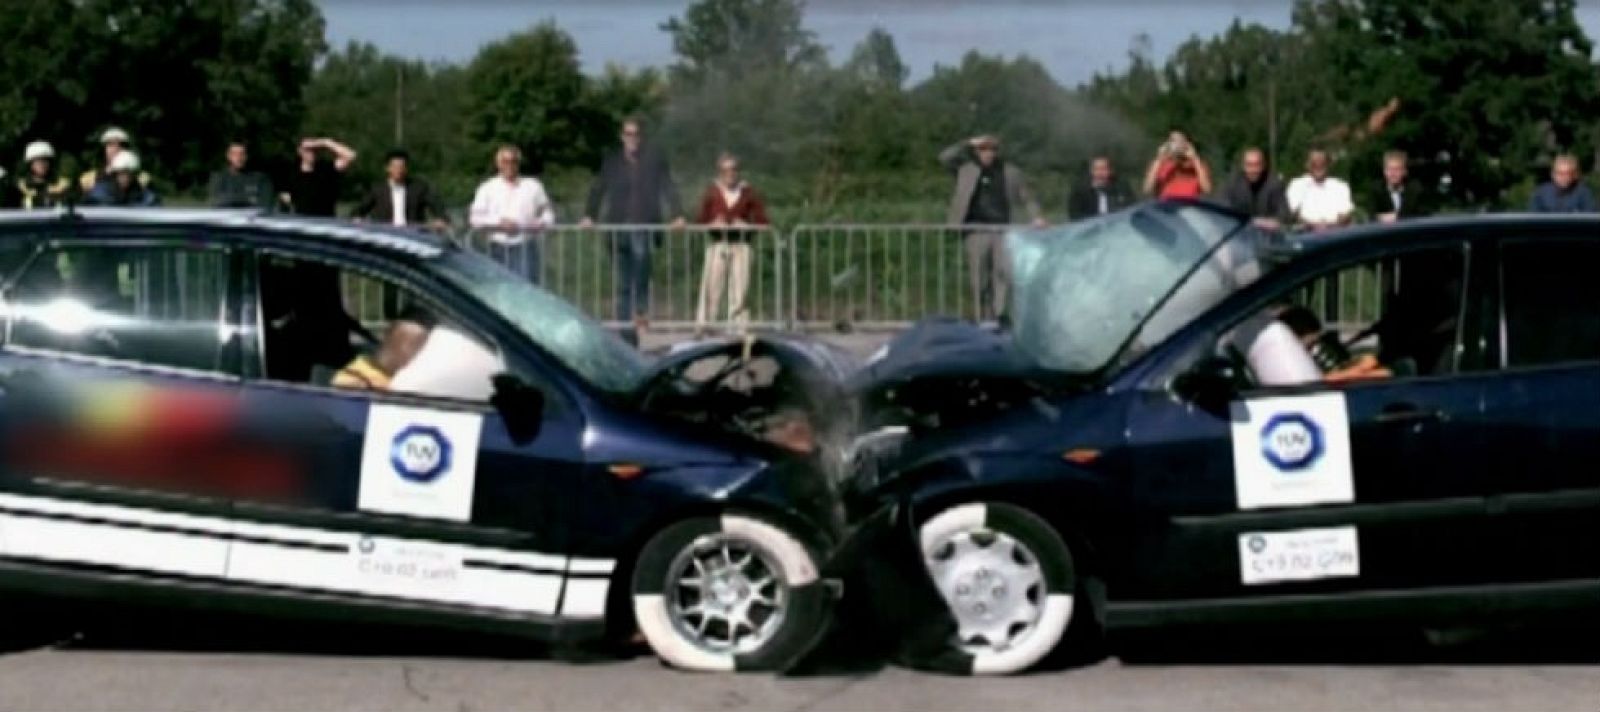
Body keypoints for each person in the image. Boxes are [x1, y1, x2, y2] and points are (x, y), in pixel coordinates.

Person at [580, 118, 687, 329]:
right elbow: (598, 188)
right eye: (628, 134)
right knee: (622, 281)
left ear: (641, 136)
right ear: (622, 137)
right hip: (617, 226)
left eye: (636, 134)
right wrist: (589, 215)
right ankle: (625, 330)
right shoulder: (612, 160)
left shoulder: (653, 159)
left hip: (643, 223)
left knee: (641, 260)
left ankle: (640, 309)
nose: (632, 138)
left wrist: (677, 214)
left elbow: (668, 186)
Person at [940, 135, 1045, 324]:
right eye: (983, 149)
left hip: (1004, 229)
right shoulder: (966, 170)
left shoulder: (1011, 172)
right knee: (979, 276)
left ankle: (999, 315)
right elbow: (945, 157)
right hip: (975, 229)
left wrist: (1037, 217)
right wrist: (968, 142)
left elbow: (1027, 197)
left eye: (991, 149)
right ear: (977, 151)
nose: (988, 153)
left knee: (1003, 274)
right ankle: (982, 315)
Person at [694, 152, 770, 337]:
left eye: (733, 169)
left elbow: (764, 222)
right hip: (718, 244)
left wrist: (748, 226)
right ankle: (705, 325)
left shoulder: (748, 192)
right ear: (719, 172)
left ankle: (739, 328)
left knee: (740, 289)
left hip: (741, 244)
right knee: (711, 286)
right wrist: (712, 224)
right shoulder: (712, 191)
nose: (730, 174)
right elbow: (699, 220)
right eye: (726, 170)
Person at [468, 145, 555, 284]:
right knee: (498, 288)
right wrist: (499, 222)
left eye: (513, 161)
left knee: (527, 289)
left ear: (519, 163)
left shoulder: (533, 186)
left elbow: (548, 212)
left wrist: (541, 223)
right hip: (497, 246)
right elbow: (475, 219)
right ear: (498, 164)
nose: (509, 165)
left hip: (525, 246)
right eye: (505, 161)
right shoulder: (487, 188)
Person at [332, 307, 436, 391]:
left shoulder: (415, 378)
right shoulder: (356, 379)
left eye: (418, 346)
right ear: (387, 334)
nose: (408, 351)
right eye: (403, 341)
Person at [351, 149, 449, 231]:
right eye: (395, 167)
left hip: (413, 233)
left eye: (401, 167)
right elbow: (358, 211)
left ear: (406, 169)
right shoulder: (377, 189)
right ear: (388, 168)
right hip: (386, 234)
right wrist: (358, 220)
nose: (399, 170)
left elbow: (437, 207)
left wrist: (441, 219)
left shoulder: (418, 188)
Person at [281, 137, 357, 217]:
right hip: (302, 223)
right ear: (300, 151)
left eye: (315, 150)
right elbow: (285, 200)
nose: (312, 153)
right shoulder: (292, 174)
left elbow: (350, 155)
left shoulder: (326, 170)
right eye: (308, 149)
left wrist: (325, 142)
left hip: (324, 222)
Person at [1217, 148, 1290, 231]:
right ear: (1243, 166)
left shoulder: (1274, 184)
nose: (1253, 170)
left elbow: (1284, 216)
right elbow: (1221, 209)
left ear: (1263, 165)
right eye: (1249, 165)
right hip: (1237, 233)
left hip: (1267, 234)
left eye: (1257, 165)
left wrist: (1259, 222)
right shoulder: (1232, 183)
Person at [1286, 149, 1354, 232]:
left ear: (1328, 165)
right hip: (1306, 234)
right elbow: (1293, 213)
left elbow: (1345, 214)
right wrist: (1313, 226)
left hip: (1336, 232)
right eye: (1314, 163)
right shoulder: (1297, 185)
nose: (1318, 166)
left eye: (1322, 163)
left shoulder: (1340, 186)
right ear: (1307, 165)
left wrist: (1329, 226)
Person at [1142, 131, 1213, 200]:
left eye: (1180, 141)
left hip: (1189, 206)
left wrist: (1194, 158)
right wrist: (1159, 158)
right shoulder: (1160, 164)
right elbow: (1147, 189)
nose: (1177, 145)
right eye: (1173, 141)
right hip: (1166, 207)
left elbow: (1207, 189)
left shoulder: (1197, 165)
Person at [79, 127, 150, 193]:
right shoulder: (88, 178)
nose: (116, 149)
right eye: (110, 145)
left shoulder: (143, 177)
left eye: (120, 145)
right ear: (104, 149)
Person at [1366, 150, 1430, 222]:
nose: (1393, 173)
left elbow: (1422, 215)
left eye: (1397, 169)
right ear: (1384, 171)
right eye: (1389, 169)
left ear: (1405, 171)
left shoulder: (1415, 189)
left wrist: (1396, 216)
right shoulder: (1376, 189)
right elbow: (1372, 217)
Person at [207, 141, 274, 209]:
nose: (238, 158)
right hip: (226, 218)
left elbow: (265, 203)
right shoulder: (218, 177)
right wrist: (249, 198)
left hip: (253, 218)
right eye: (234, 154)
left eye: (242, 154)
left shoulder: (260, 179)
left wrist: (232, 198)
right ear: (228, 156)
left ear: (247, 156)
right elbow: (215, 201)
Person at [1066, 156, 1135, 220]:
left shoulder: (1121, 187)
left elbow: (1131, 208)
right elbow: (1075, 215)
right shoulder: (1080, 190)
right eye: (1097, 169)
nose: (1100, 173)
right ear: (1091, 171)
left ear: (1111, 171)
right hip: (1090, 226)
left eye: (1104, 169)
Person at [84, 152, 159, 206]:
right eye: (121, 173)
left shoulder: (146, 198)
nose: (125, 177)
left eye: (129, 173)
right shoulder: (98, 195)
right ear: (115, 174)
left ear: (135, 175)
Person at [1529, 154, 1597, 213]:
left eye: (1568, 173)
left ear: (1574, 175)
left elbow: (1590, 219)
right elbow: (1534, 219)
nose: (1564, 177)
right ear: (1553, 174)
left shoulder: (1583, 193)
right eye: (1560, 173)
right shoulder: (1541, 193)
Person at [14, 141, 72, 210]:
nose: (41, 165)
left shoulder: (60, 184)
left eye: (45, 161)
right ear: (30, 164)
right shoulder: (21, 186)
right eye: (37, 161)